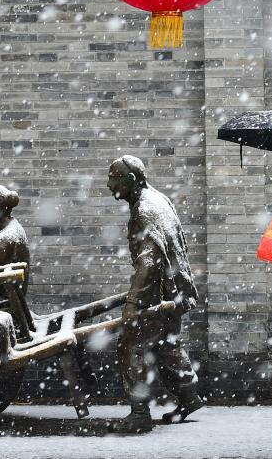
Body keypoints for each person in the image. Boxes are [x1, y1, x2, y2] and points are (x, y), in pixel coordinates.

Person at [106, 155, 203, 434]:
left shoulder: (144, 211)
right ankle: (189, 396)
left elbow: (148, 263)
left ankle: (139, 414)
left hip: (158, 293)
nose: (109, 184)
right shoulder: (159, 199)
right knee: (167, 344)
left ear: (131, 179)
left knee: (130, 346)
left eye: (114, 179)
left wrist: (133, 302)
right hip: (175, 290)